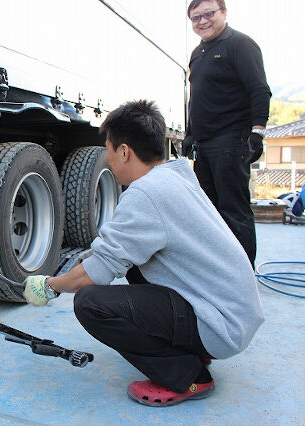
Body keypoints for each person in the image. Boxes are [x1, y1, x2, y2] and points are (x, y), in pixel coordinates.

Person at [23, 100, 264, 407]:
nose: (108, 161)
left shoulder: (146, 193)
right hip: (230, 311)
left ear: (124, 151)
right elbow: (118, 256)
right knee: (136, 267)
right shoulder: (176, 176)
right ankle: (193, 349)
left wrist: (49, 286)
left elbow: (96, 271)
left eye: (109, 152)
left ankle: (188, 377)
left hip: (221, 325)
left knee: (91, 303)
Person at [182, 0, 272, 266]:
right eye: (195, 17)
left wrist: (257, 132)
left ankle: (243, 274)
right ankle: (218, 271)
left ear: (224, 13)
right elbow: (196, 99)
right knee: (208, 212)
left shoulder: (241, 45)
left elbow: (259, 89)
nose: (202, 21)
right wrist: (189, 135)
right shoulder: (198, 53)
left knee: (234, 211)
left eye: (208, 14)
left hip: (231, 141)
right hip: (205, 145)